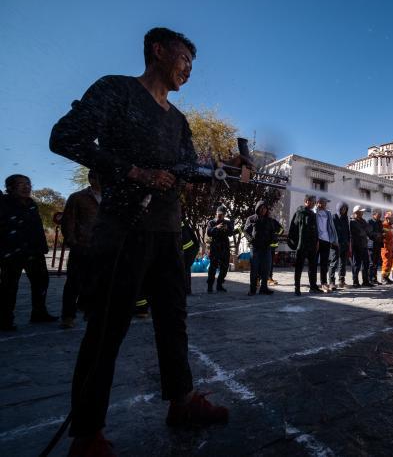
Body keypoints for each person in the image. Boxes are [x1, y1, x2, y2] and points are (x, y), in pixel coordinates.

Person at [49, 27, 229, 454]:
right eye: (184, 59)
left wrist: (221, 172)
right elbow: (64, 138)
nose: (188, 69)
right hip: (123, 229)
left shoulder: (179, 120)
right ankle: (87, 433)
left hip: (168, 232)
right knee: (107, 328)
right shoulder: (116, 91)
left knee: (174, 321)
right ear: (158, 50)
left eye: (192, 64)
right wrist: (133, 172)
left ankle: (182, 402)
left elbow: (187, 170)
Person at [0, 174, 57, 331]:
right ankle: (5, 319)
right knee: (8, 286)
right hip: (11, 252)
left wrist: (42, 247)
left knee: (41, 282)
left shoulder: (31, 203)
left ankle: (39, 313)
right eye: (21, 184)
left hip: (34, 251)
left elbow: (37, 227)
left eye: (28, 183)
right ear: (10, 187)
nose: (27, 187)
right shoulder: (3, 203)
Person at [60, 169, 101, 328]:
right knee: (73, 282)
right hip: (82, 245)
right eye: (99, 177)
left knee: (96, 281)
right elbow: (68, 221)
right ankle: (68, 316)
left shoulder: (112, 198)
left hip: (103, 247)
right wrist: (72, 242)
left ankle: (90, 311)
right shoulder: (78, 197)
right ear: (91, 179)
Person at [244, 201, 280, 296]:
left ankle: (264, 288)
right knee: (254, 269)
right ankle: (252, 289)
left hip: (266, 248)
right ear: (258, 208)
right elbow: (245, 231)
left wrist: (274, 239)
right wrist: (251, 240)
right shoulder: (251, 219)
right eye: (261, 208)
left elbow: (275, 231)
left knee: (266, 269)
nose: (263, 210)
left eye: (265, 208)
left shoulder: (269, 220)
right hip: (255, 248)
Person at [288, 194, 320, 296]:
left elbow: (315, 230)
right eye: (312, 201)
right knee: (299, 267)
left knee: (313, 267)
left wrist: (316, 242)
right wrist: (295, 243)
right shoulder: (299, 213)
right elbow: (293, 229)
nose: (313, 204)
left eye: (314, 202)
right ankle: (297, 287)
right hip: (301, 245)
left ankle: (313, 286)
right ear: (306, 201)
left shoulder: (313, 214)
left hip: (312, 245)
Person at [206, 205, 235, 293]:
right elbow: (209, 232)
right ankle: (210, 286)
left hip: (225, 247)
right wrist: (216, 228)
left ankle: (219, 285)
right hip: (215, 247)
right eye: (219, 214)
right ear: (216, 213)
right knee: (213, 267)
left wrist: (227, 229)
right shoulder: (211, 222)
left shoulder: (227, 222)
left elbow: (231, 233)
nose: (220, 216)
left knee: (224, 267)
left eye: (222, 215)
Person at [314, 197, 338, 293]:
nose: (325, 205)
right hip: (317, 240)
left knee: (324, 263)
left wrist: (334, 239)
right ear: (318, 203)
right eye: (323, 203)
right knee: (314, 263)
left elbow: (332, 227)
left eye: (325, 203)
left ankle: (324, 283)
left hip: (326, 240)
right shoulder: (314, 212)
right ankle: (313, 284)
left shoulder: (328, 213)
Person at [349, 205, 373, 287]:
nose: (362, 213)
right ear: (356, 212)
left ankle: (365, 281)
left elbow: (369, 229)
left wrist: (367, 231)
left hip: (364, 245)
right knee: (356, 265)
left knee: (366, 264)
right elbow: (362, 231)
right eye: (360, 212)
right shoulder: (352, 221)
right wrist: (366, 231)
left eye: (362, 212)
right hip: (356, 246)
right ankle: (355, 282)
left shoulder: (362, 221)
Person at [329, 201, 350, 289]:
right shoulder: (333, 217)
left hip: (344, 244)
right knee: (334, 263)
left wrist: (348, 241)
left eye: (345, 208)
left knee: (343, 263)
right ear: (339, 208)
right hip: (335, 244)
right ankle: (331, 282)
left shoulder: (345, 218)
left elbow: (347, 231)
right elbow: (331, 230)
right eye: (342, 208)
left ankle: (341, 281)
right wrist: (333, 241)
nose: (344, 210)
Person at [181, 220, 200, 295]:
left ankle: (186, 290)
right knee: (186, 269)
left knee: (184, 269)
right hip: (191, 249)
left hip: (187, 251)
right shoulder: (183, 223)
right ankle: (187, 290)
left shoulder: (176, 223)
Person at [367, 209, 384, 284]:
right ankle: (370, 279)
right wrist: (377, 235)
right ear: (374, 214)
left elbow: (381, 231)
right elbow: (369, 233)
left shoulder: (380, 222)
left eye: (380, 214)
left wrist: (382, 235)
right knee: (371, 263)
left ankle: (374, 278)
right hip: (372, 244)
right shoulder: (370, 221)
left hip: (378, 244)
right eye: (378, 214)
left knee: (376, 263)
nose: (380, 215)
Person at [380, 212, 393, 284]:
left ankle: (387, 277)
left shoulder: (390, 226)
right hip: (385, 247)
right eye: (392, 218)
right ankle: (383, 277)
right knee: (386, 262)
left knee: (390, 262)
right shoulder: (383, 225)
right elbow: (381, 236)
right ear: (387, 218)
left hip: (390, 247)